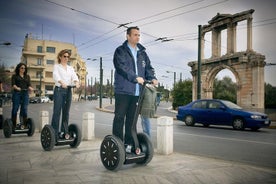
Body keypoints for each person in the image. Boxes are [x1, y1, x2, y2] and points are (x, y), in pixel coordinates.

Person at [113, 26, 158, 154]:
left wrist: (152, 78)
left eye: (139, 35)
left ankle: (128, 145)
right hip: (123, 91)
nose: (138, 37)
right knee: (119, 118)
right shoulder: (120, 51)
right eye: (135, 35)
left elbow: (148, 68)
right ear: (128, 36)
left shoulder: (142, 53)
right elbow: (121, 67)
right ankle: (117, 145)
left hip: (137, 92)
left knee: (131, 121)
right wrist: (135, 77)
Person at [51, 49, 80, 140]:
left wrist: (77, 82)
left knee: (66, 112)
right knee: (57, 112)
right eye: (64, 56)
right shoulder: (57, 66)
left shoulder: (70, 68)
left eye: (68, 57)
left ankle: (64, 132)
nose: (66, 58)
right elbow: (55, 75)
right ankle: (54, 134)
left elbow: (74, 76)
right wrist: (61, 82)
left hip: (68, 91)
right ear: (60, 57)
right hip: (59, 90)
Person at [11, 63, 34, 129]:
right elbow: (13, 84)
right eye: (22, 68)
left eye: (24, 68)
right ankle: (13, 124)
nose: (23, 69)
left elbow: (29, 85)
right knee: (15, 109)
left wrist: (31, 88)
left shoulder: (27, 76)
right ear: (18, 68)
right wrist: (17, 88)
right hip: (17, 93)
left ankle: (24, 124)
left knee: (24, 109)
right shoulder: (15, 76)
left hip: (25, 93)